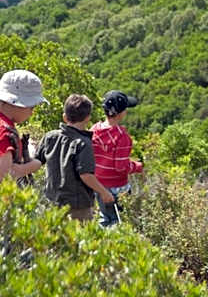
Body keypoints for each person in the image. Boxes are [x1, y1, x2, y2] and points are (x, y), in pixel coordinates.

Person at [37, 94, 115, 222]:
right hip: (77, 207)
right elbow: (86, 175)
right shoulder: (84, 143)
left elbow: (35, 162)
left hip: (52, 203)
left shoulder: (50, 137)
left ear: (64, 117)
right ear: (88, 118)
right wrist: (104, 192)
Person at [91, 90, 143, 227]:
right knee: (118, 222)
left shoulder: (94, 130)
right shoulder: (122, 137)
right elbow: (120, 167)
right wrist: (136, 166)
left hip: (98, 185)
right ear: (121, 113)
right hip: (117, 187)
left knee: (104, 218)